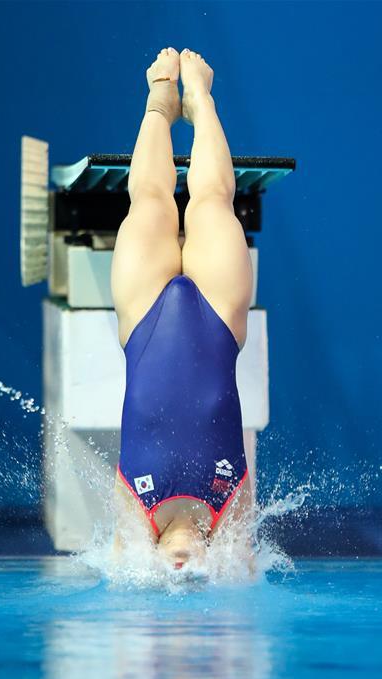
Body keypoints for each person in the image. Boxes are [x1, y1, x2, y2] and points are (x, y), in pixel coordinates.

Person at [112, 47, 254, 571]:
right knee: (213, 200)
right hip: (218, 318)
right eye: (195, 573)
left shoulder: (134, 520)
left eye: (172, 573)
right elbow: (248, 583)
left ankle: (159, 100)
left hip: (143, 317)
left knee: (149, 202)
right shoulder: (229, 514)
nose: (181, 568)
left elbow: (118, 614)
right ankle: (201, 98)